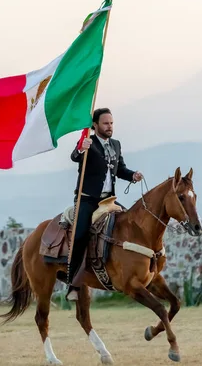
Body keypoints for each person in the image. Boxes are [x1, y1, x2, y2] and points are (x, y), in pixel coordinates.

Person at [66, 107, 143, 301]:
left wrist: (132, 175)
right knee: (80, 235)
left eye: (111, 123)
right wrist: (80, 148)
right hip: (88, 199)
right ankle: (72, 284)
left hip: (109, 200)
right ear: (95, 125)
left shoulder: (115, 144)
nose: (109, 127)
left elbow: (120, 169)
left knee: (132, 224)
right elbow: (75, 157)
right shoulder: (88, 142)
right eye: (105, 123)